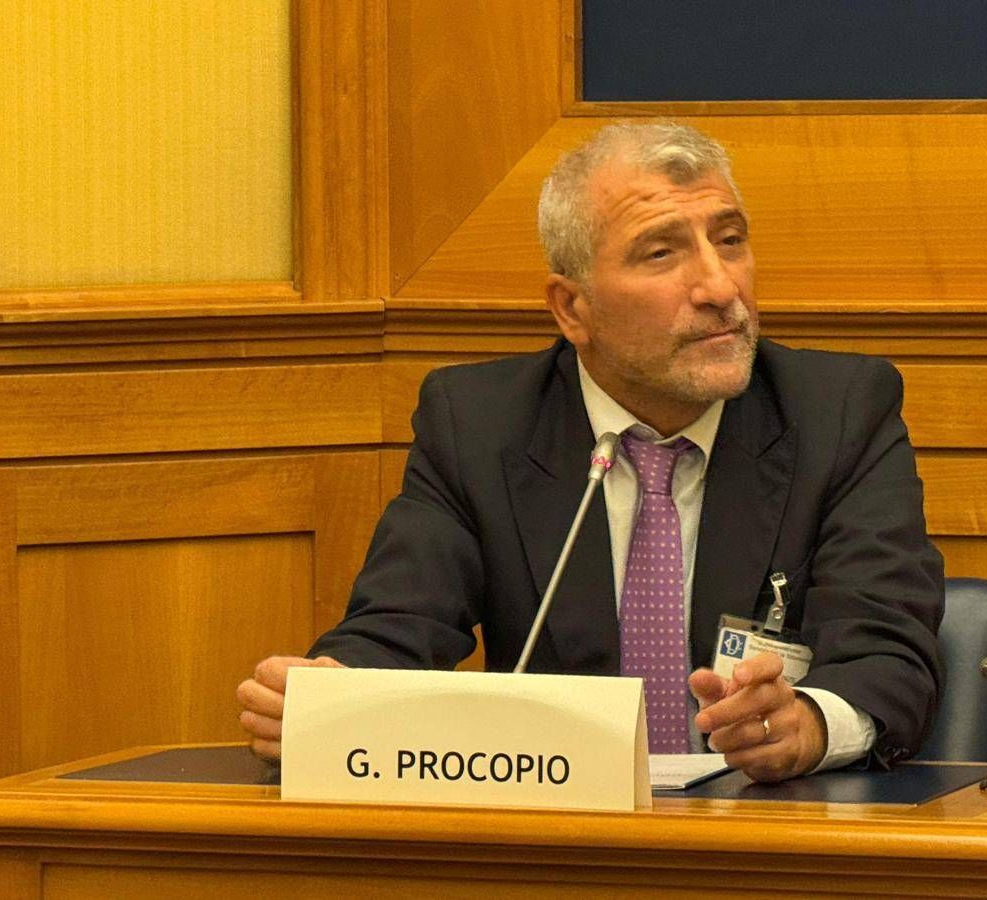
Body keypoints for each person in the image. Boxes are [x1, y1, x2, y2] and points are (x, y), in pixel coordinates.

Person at [237, 122, 943, 783]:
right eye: (662, 253)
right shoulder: (479, 425)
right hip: (559, 836)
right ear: (572, 309)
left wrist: (810, 725)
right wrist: (328, 694)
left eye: (729, 241)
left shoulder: (838, 413)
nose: (721, 287)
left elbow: (888, 652)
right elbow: (398, 628)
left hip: (769, 833)